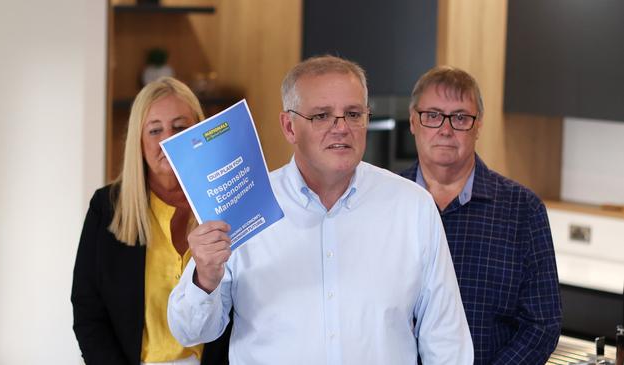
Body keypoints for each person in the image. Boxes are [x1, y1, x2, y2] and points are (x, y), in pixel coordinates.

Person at [167, 55, 473, 364]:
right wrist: (204, 278)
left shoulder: (413, 207)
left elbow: (446, 340)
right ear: (289, 127)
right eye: (322, 116)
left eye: (353, 114)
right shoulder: (245, 204)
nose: (341, 128)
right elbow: (190, 331)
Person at [400, 66, 562, 364]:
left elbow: (542, 325)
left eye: (461, 117)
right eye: (433, 115)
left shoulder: (523, 210)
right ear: (413, 121)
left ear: (478, 126)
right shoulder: (387, 204)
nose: (446, 130)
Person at [71, 77, 229, 365]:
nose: (167, 139)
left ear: (199, 132)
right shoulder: (107, 208)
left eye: (180, 128)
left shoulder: (226, 202)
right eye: (155, 130)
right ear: (139, 141)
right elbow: (88, 312)